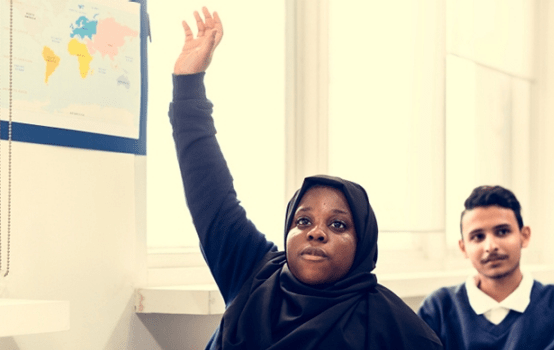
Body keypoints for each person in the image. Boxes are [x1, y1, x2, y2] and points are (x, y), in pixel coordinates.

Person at [169, 7, 443, 350]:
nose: (315, 231)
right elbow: (209, 191)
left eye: (339, 225)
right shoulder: (253, 272)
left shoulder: (398, 330)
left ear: (363, 246)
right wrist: (187, 84)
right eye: (303, 220)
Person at [418, 185, 554, 349]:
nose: (490, 246)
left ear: (524, 236)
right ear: (463, 247)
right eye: (478, 237)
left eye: (502, 232)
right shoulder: (438, 308)